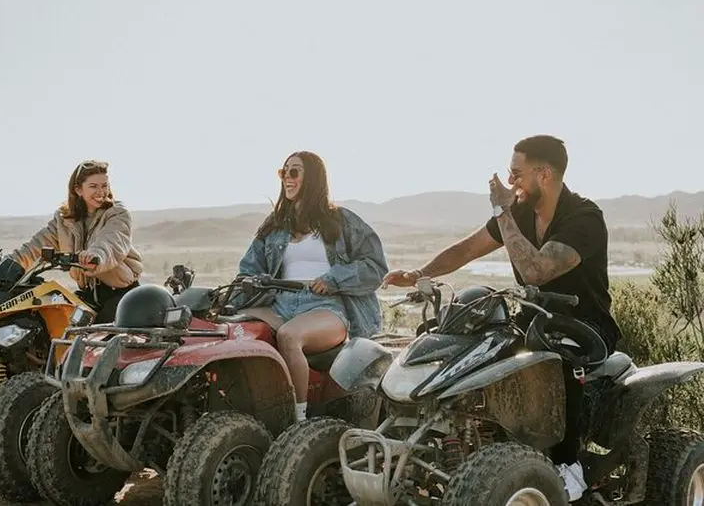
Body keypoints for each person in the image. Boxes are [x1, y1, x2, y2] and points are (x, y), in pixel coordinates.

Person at [383, 134, 621, 502]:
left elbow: (536, 271)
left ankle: (569, 467)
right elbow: (468, 247)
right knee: (464, 337)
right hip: (531, 320)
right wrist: (419, 273)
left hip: (584, 325)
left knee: (555, 355)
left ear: (544, 174)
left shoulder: (584, 218)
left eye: (517, 173)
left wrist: (502, 211)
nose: (510, 183)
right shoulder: (521, 213)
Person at [233, 150, 388, 422]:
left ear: (313, 178)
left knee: (290, 337)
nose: (287, 179)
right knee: (233, 329)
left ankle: (297, 420)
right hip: (279, 303)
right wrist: (244, 287)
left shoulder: (341, 221)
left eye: (294, 172)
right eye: (284, 172)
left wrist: (333, 279)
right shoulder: (274, 225)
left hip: (324, 306)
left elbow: (375, 267)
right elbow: (248, 269)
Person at [8, 160, 143, 323]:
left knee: (94, 338)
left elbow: (111, 241)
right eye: (93, 186)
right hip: (87, 294)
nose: (101, 192)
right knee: (59, 325)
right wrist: (9, 263)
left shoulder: (117, 214)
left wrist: (94, 256)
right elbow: (36, 245)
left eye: (104, 185)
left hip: (122, 295)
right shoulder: (65, 220)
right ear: (78, 189)